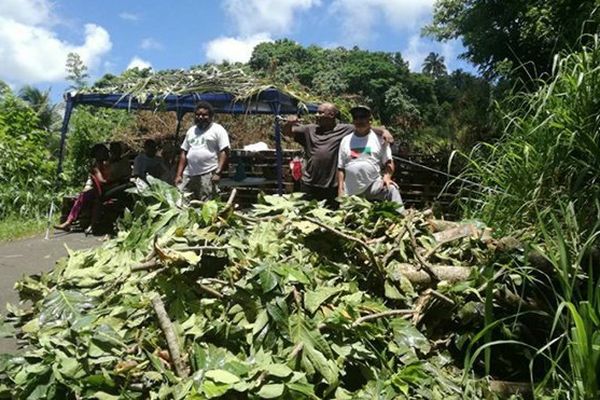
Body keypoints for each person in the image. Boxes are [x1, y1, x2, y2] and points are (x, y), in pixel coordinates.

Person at [282, 102, 394, 205]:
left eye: (320, 113)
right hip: (310, 183)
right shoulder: (309, 130)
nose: (316, 115)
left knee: (330, 216)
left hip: (332, 186)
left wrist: (384, 131)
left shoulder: (345, 130)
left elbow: (365, 127)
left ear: (331, 115)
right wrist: (289, 123)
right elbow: (287, 133)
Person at [337, 105, 404, 212]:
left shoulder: (380, 139)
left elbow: (389, 162)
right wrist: (340, 188)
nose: (359, 120)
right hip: (351, 189)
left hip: (372, 185)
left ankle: (401, 220)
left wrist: (387, 177)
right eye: (356, 117)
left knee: (392, 189)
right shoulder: (346, 140)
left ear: (370, 120)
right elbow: (340, 168)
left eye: (362, 117)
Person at [175, 101, 230, 200]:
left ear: (211, 116)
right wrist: (179, 174)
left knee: (206, 203)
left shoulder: (218, 130)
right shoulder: (191, 131)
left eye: (204, 115)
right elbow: (184, 152)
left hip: (207, 174)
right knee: (182, 201)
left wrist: (218, 172)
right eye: (198, 115)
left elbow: (224, 151)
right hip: (189, 174)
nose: (200, 117)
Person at [54, 144, 111, 231]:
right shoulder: (96, 166)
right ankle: (69, 222)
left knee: (84, 197)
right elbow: (99, 181)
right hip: (101, 190)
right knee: (83, 196)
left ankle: (69, 222)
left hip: (106, 189)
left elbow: (103, 180)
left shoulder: (106, 164)